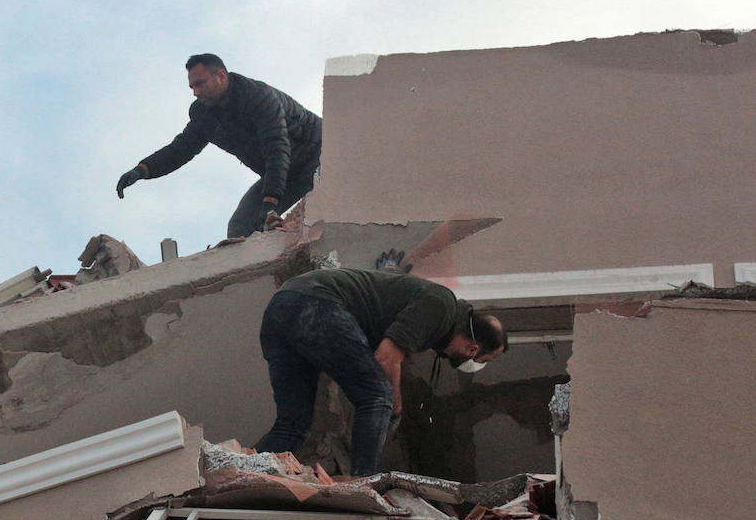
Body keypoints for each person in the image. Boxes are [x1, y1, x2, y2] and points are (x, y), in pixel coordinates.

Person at [254, 268, 508, 478]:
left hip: (282, 308)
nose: (474, 364)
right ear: (472, 348)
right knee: (377, 396)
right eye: (482, 359)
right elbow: (386, 358)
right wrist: (395, 404)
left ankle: (241, 475)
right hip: (316, 304)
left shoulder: (434, 318)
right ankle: (363, 484)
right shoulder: (441, 305)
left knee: (292, 425)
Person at [116, 54, 322, 238]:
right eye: (192, 87)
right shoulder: (204, 114)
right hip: (285, 174)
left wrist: (270, 203)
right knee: (241, 228)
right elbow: (182, 148)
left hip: (322, 156)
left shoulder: (258, 97)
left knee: (329, 209)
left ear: (221, 76)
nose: (196, 92)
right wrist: (142, 169)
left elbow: (276, 148)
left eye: (201, 84)